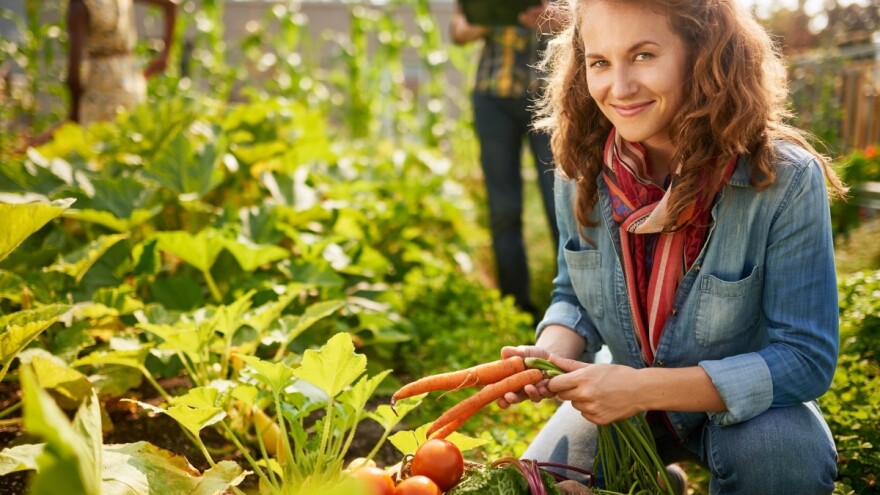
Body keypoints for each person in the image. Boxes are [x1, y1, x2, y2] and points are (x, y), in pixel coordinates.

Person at [496, 0, 847, 493]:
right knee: (536, 485)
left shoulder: (783, 178)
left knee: (783, 459)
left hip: (748, 412)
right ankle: (660, 481)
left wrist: (640, 390)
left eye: (643, 55)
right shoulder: (579, 167)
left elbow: (804, 358)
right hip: (618, 399)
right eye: (599, 62)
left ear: (703, 55)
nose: (618, 88)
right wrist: (548, 354)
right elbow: (572, 295)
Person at [449, 2, 562, 321]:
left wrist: (554, 20)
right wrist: (489, 17)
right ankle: (516, 307)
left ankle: (569, 305)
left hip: (549, 97)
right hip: (492, 97)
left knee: (560, 205)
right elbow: (458, 30)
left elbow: (587, 19)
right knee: (504, 209)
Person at [66, 0, 177, 125]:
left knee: (97, 140)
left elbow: (74, 76)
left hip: (99, 89)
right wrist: (165, 55)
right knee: (130, 136)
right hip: (131, 80)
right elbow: (171, 4)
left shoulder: (80, 4)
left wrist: (74, 112)